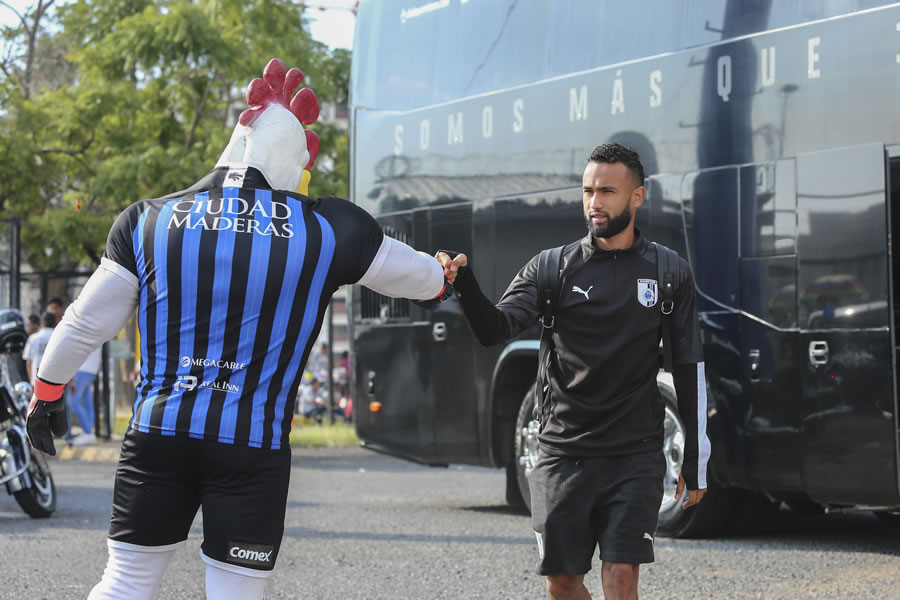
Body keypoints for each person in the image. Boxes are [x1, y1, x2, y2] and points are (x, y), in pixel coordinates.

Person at [25, 58, 451, 600]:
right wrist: (444, 275)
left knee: (125, 583)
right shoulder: (329, 228)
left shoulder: (148, 219)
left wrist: (47, 393)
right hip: (252, 443)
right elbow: (421, 280)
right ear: (296, 163)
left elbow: (85, 323)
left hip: (159, 432)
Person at [437, 143, 710, 600]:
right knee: (562, 583)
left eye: (607, 191)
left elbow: (688, 364)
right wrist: (464, 285)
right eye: (587, 191)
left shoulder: (669, 273)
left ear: (637, 196)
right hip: (564, 451)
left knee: (621, 577)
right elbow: (494, 328)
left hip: (635, 453)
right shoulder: (551, 269)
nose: (594, 202)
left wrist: (697, 460)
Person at [67, 346, 103, 445]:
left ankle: (88, 432)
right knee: (87, 402)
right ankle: (89, 431)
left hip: (81, 369)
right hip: (91, 370)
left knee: (73, 402)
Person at [23, 311, 56, 384]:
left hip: (37, 380)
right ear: (54, 323)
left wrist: (31, 381)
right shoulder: (58, 337)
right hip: (54, 382)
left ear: (42, 322)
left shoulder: (33, 338)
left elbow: (28, 362)